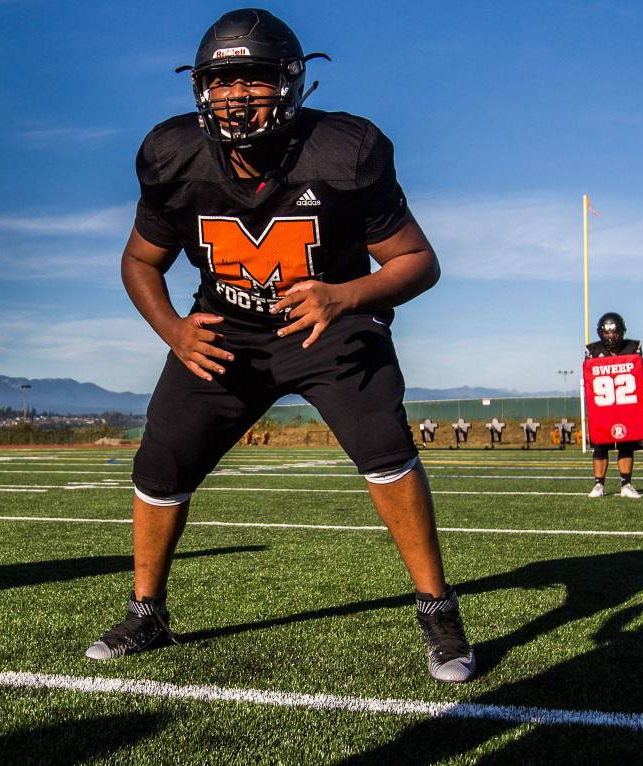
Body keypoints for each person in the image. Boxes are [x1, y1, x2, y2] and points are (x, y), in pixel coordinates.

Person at [84, 8, 475, 683]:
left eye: (256, 79)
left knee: (386, 451)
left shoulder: (344, 151)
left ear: (292, 83)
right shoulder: (171, 154)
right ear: (200, 88)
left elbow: (418, 260)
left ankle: (437, 607)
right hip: (225, 331)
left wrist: (345, 294)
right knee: (161, 462)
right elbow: (140, 261)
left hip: (332, 323)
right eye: (223, 80)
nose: (238, 96)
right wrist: (175, 330)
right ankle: (146, 610)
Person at [585, 312, 643, 498]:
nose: (611, 336)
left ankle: (626, 484)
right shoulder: (592, 350)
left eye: (614, 332)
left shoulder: (633, 347)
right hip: (603, 405)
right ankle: (599, 485)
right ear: (601, 333)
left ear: (622, 332)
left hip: (626, 404)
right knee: (600, 446)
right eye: (607, 332)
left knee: (626, 444)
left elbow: (640, 373)